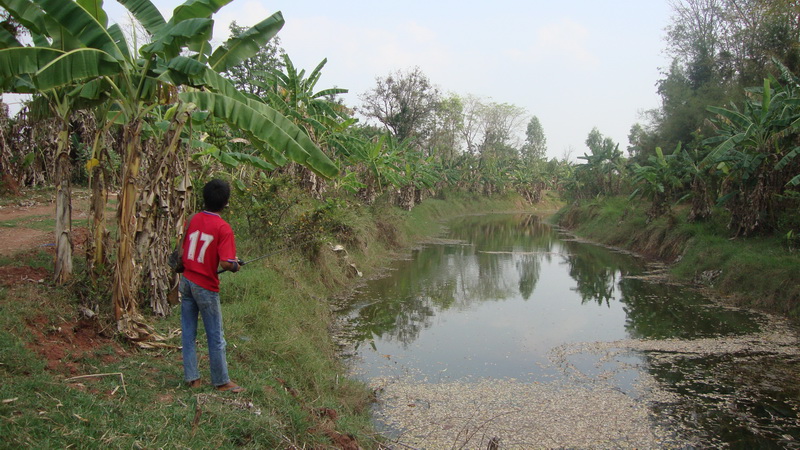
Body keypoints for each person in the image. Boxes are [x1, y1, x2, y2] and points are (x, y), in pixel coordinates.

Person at [180, 179, 244, 393]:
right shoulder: (223, 228)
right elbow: (226, 262)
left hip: (187, 281)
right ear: (226, 203)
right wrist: (235, 267)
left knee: (188, 332)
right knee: (215, 336)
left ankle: (192, 378)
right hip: (205, 287)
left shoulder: (193, 218)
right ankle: (221, 381)